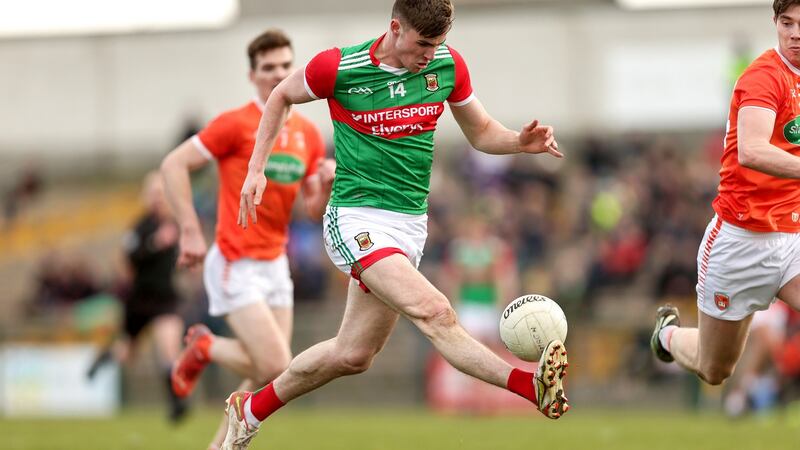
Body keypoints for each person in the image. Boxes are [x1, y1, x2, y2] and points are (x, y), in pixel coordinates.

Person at [226, 1, 568, 447]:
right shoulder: (338, 66)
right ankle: (530, 386)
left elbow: (482, 131)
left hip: (408, 225)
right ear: (395, 28)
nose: (430, 54)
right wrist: (256, 170)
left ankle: (249, 410)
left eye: (438, 44)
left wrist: (520, 144)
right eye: (423, 43)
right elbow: (281, 96)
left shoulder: (446, 66)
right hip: (355, 218)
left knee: (353, 355)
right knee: (437, 312)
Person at [160, 29, 333, 450]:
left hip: (275, 262)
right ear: (252, 75)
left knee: (269, 371)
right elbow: (173, 165)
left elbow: (311, 208)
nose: (277, 74)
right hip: (235, 260)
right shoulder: (235, 124)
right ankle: (205, 346)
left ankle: (219, 447)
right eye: (268, 67)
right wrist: (188, 229)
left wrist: (325, 184)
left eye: (284, 65)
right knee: (277, 363)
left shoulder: (308, 134)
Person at [651, 0, 800, 389]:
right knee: (715, 369)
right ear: (775, 23)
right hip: (741, 243)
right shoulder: (764, 76)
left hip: (793, 238)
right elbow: (752, 150)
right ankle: (667, 336)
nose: (795, 33)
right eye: (787, 23)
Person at [86, 171, 187, 422]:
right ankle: (106, 356)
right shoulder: (140, 228)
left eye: (161, 194)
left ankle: (177, 404)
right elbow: (129, 258)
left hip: (165, 298)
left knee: (169, 347)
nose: (158, 199)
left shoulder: (177, 224)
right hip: (140, 299)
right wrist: (155, 243)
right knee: (128, 353)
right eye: (153, 194)